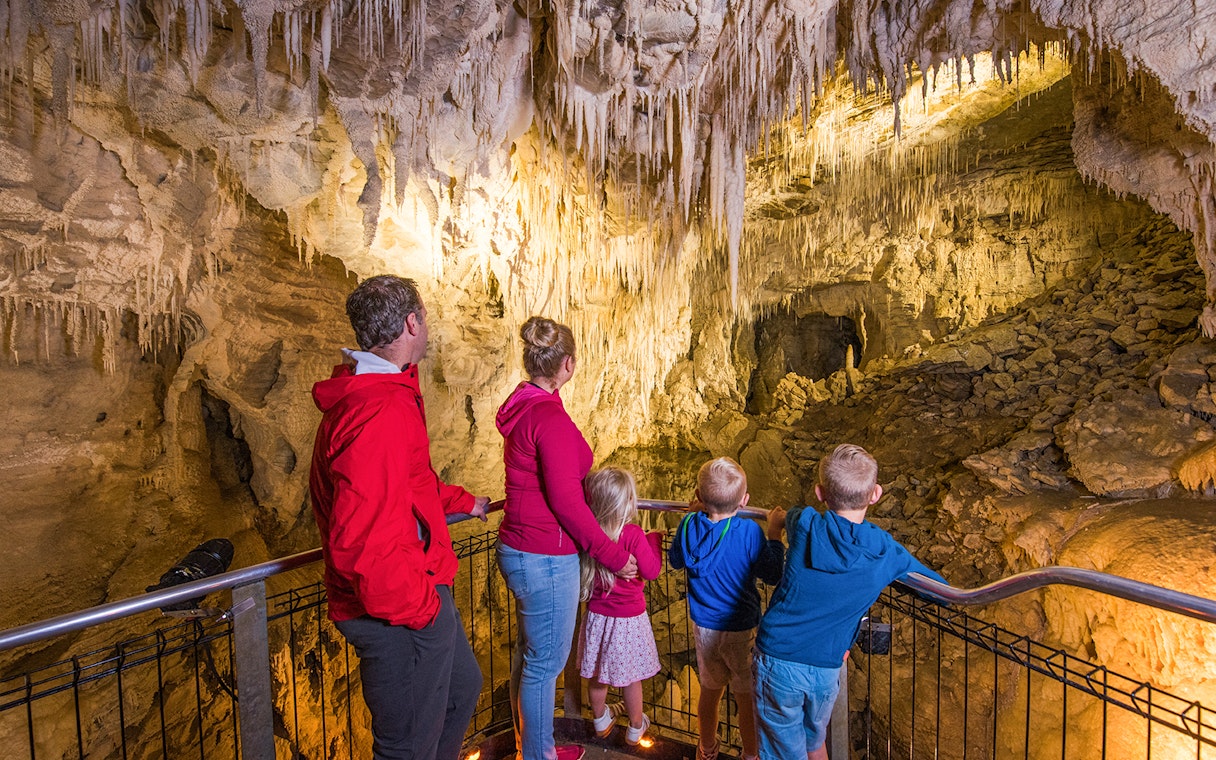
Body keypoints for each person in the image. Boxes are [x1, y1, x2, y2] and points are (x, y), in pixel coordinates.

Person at [309, 275, 490, 760]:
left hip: (416, 588)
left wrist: (459, 502)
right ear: (413, 322)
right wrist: (425, 613)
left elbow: (408, 482)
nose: (427, 326)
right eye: (425, 317)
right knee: (408, 746)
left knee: (459, 692)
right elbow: (363, 540)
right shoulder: (378, 411)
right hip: (399, 611)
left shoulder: (385, 395)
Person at [495, 316, 639, 760]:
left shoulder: (523, 404)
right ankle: (537, 755)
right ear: (568, 364)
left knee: (529, 655)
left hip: (519, 546)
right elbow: (567, 503)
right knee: (545, 665)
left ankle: (529, 745)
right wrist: (613, 555)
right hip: (544, 554)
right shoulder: (547, 417)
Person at [754, 443, 948, 760]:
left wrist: (774, 528)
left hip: (779, 660)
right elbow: (938, 590)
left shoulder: (804, 523)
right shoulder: (885, 551)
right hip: (826, 669)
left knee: (780, 750)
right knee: (814, 742)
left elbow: (789, 516)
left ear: (820, 493)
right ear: (875, 494)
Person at [668, 457, 785, 760]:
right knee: (746, 697)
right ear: (745, 501)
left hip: (704, 627)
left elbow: (676, 561)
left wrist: (692, 517)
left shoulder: (688, 525)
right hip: (741, 628)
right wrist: (774, 535)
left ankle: (706, 748)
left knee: (709, 690)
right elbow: (772, 573)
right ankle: (750, 754)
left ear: (697, 496)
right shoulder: (748, 532)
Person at [577, 467, 664, 746]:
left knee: (598, 675)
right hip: (629, 619)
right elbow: (651, 571)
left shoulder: (590, 534)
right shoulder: (633, 534)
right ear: (626, 502)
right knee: (630, 678)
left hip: (597, 616)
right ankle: (636, 727)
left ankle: (600, 719)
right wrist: (655, 541)